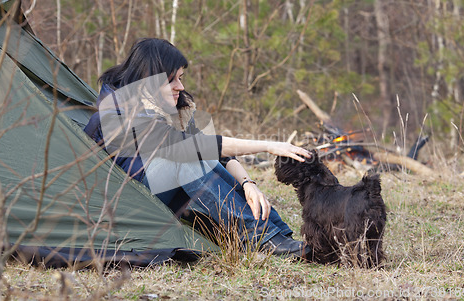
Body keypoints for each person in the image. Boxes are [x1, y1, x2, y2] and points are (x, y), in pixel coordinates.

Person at [84, 38, 312, 258]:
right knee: (186, 159)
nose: (180, 87)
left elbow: (217, 156)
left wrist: (248, 183)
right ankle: (261, 238)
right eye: (171, 80)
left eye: (181, 78)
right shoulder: (116, 112)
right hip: (130, 203)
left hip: (162, 191)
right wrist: (268, 146)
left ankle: (278, 232)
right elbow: (198, 148)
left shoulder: (168, 107)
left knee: (199, 159)